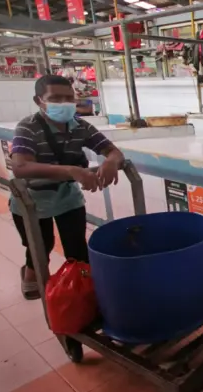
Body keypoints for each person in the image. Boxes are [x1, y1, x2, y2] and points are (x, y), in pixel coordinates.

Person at [10, 74, 124, 300]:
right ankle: (31, 276)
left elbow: (112, 151)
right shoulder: (28, 127)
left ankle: (81, 291)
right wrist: (71, 171)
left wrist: (111, 161)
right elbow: (20, 167)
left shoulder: (80, 126)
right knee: (40, 248)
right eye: (55, 98)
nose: (63, 104)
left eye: (68, 98)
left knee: (77, 248)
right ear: (38, 101)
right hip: (32, 199)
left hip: (67, 197)